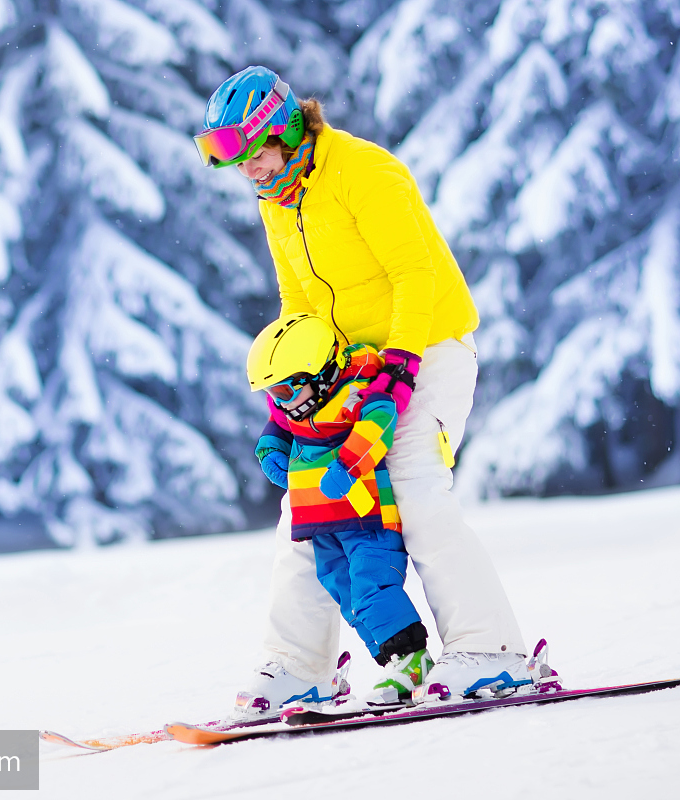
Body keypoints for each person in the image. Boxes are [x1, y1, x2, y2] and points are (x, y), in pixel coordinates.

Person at [194, 65, 530, 712]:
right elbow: (298, 301)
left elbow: (415, 274)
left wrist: (402, 363)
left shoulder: (364, 171)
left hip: (427, 350)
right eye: (227, 158)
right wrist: (292, 397)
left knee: (415, 488)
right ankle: (299, 667)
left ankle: (492, 652)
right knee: (307, 507)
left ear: (285, 131)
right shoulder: (278, 199)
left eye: (249, 151)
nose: (246, 171)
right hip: (346, 375)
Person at [240, 312, 439, 715]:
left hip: (365, 520)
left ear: (312, 375)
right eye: (271, 394)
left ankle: (414, 661)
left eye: (281, 391)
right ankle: (394, 664)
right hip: (323, 525)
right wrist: (270, 450)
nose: (278, 403)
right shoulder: (297, 408)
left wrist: (348, 464)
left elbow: (380, 422)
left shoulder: (357, 392)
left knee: (372, 589)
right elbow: (276, 427)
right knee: (347, 596)